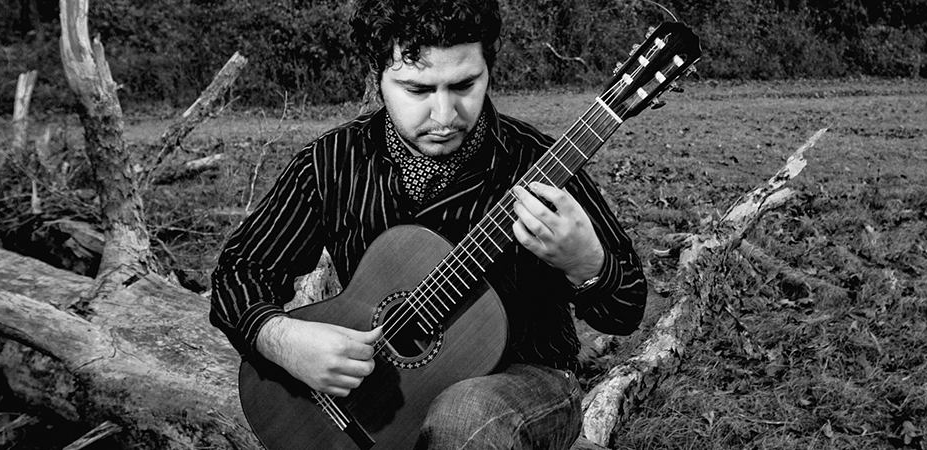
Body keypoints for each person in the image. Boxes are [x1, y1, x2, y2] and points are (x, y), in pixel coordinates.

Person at [208, 0, 648, 448]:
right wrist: (283, 340)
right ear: (377, 78)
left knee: (465, 414)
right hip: (371, 396)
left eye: (464, 85)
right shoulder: (332, 162)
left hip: (529, 381)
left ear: (488, 71)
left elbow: (626, 310)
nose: (444, 115)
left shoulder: (542, 165)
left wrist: (586, 263)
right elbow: (240, 270)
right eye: (417, 90)